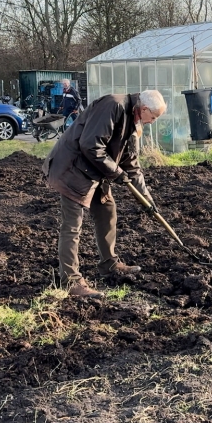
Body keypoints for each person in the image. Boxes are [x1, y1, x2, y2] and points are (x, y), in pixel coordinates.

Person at [42, 90, 167, 298]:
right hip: (72, 169)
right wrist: (116, 172)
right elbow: (91, 145)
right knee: (72, 225)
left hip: (95, 170)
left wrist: (147, 200)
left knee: (107, 211)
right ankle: (71, 281)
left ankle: (109, 264)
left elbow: (132, 164)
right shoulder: (113, 105)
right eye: (153, 117)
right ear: (144, 109)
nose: (153, 122)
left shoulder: (134, 119)